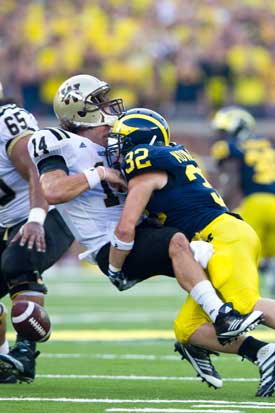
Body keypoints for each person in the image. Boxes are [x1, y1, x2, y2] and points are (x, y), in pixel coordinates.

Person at [26, 74, 262, 361]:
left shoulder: (120, 142)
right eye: (98, 102)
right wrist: (98, 173)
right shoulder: (55, 140)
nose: (109, 110)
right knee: (179, 244)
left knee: (226, 286)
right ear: (79, 111)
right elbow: (51, 190)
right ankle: (221, 317)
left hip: (148, 231)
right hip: (115, 243)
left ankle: (258, 351)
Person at [106, 107, 275, 397]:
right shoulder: (166, 160)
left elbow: (126, 227)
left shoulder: (144, 166)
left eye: (121, 142)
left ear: (139, 142)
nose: (116, 150)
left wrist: (114, 268)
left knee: (245, 304)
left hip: (224, 236)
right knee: (188, 329)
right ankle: (266, 353)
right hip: (218, 239)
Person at [0, 85, 74, 384]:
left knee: (17, 259)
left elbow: (36, 171)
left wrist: (35, 219)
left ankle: (26, 350)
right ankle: (6, 362)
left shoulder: (7, 121)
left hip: (47, 212)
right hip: (7, 222)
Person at [211, 106, 275, 293]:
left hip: (257, 203)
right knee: (268, 253)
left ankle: (236, 300)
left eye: (223, 131)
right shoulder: (266, 144)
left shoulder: (231, 147)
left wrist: (219, 211)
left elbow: (231, 181)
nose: (219, 135)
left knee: (238, 253)